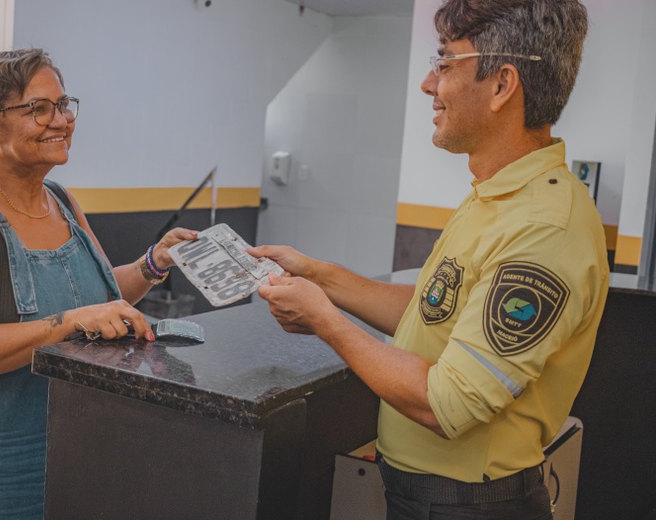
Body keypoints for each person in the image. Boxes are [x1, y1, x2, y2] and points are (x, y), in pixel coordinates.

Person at [250, 1, 607, 518]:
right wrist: (318, 276)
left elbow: (449, 403)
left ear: (502, 85)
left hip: (470, 503)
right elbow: (431, 312)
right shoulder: (498, 194)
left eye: (444, 65)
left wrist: (325, 322)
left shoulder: (543, 228)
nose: (426, 86)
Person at [0, 48, 195, 519]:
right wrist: (69, 322)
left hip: (68, 436)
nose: (62, 120)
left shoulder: (61, 200)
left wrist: (153, 262)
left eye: (64, 106)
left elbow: (104, 299)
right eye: (38, 109)